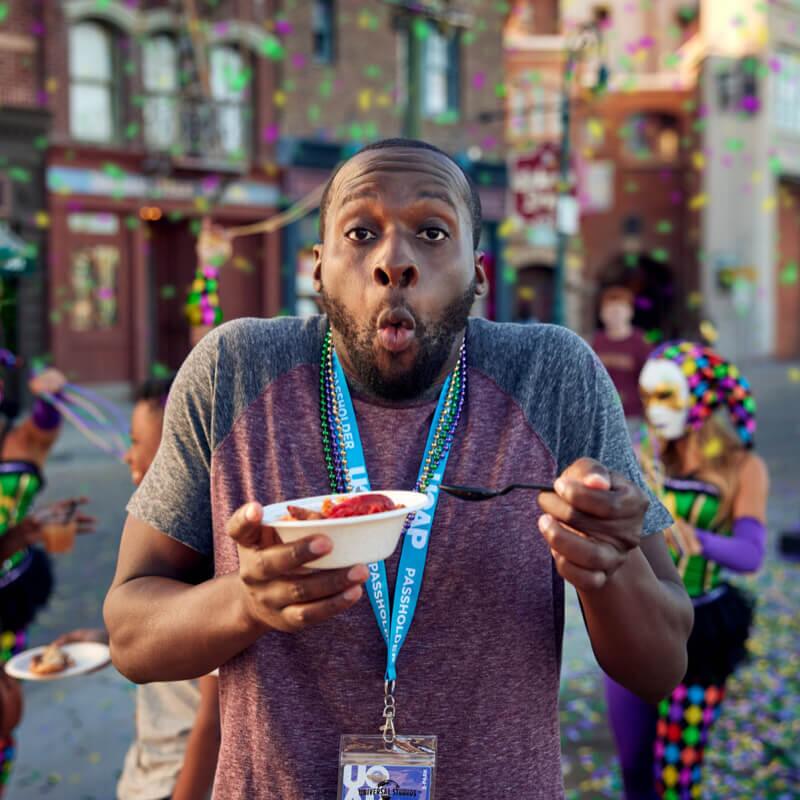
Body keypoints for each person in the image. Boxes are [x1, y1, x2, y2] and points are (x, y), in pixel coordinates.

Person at [104, 138, 693, 799]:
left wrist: (608, 570)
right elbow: (131, 635)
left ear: (479, 273)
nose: (393, 261)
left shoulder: (553, 375)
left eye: (432, 231)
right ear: (319, 268)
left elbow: (662, 664)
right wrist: (245, 601)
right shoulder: (232, 372)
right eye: (361, 232)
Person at [605, 341, 768, 800]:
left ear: (698, 396)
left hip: (702, 630)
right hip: (638, 616)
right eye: (648, 395)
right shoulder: (643, 455)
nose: (653, 409)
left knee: (678, 778)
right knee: (634, 765)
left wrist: (704, 541)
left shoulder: (742, 466)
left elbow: (752, 554)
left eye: (666, 396)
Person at [57, 377, 220, 800]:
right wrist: (105, 643)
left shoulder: (203, 558)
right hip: (148, 773)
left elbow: (213, 716)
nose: (128, 454)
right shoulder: (168, 546)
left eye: (137, 442)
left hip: (175, 781)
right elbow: (172, 645)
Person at [0, 356, 93, 795]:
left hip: (7, 596)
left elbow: (45, 421)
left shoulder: (19, 438)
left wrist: (51, 392)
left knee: (5, 713)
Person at [591, 285, 652, 422]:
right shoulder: (596, 342)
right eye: (610, 310)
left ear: (630, 312)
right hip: (603, 415)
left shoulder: (640, 342)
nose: (615, 315)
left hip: (633, 415)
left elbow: (650, 378)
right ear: (602, 314)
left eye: (619, 309)